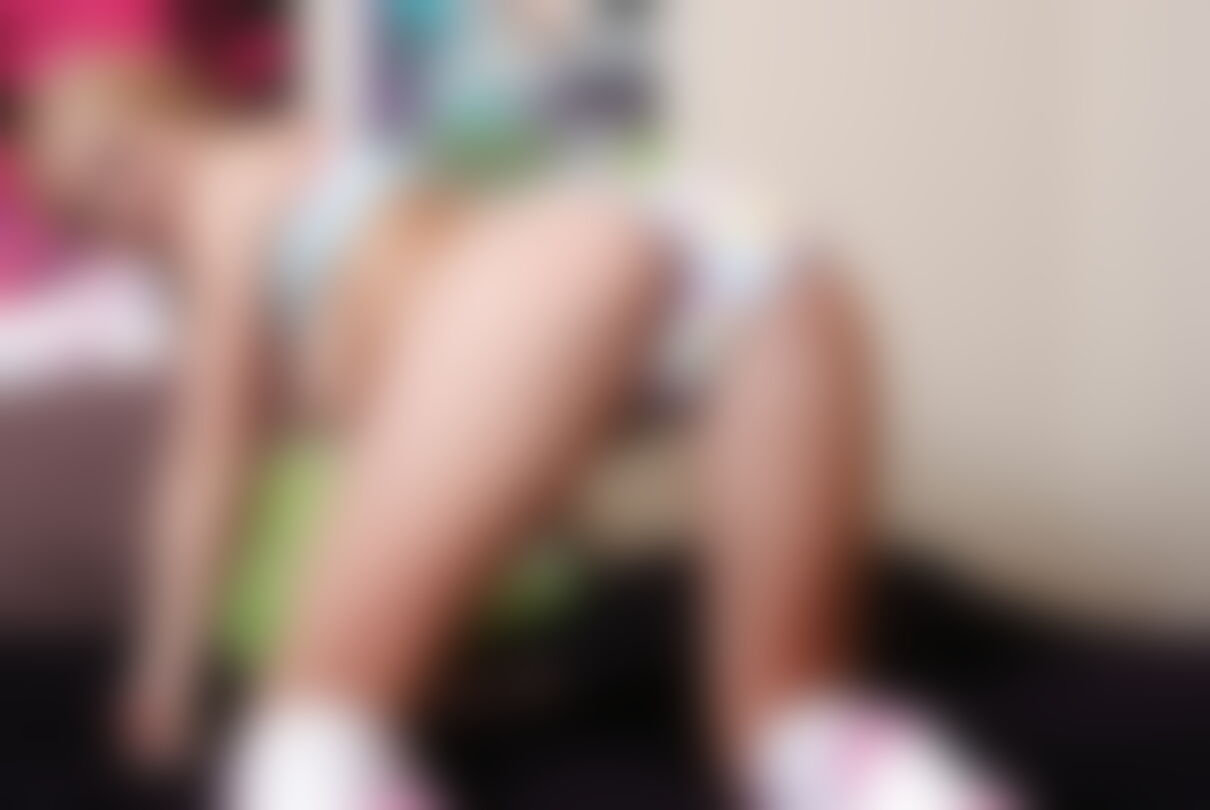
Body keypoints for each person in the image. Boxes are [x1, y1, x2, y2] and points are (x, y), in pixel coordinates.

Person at [22, 1, 1023, 807]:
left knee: (318, 728)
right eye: (86, 212)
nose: (120, 205)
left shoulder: (227, 187)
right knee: (790, 710)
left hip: (587, 258)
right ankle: (829, 752)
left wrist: (162, 671)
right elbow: (448, 442)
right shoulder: (301, 192)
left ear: (182, 112)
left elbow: (208, 453)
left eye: (119, 157)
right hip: (679, 261)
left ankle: (314, 754)